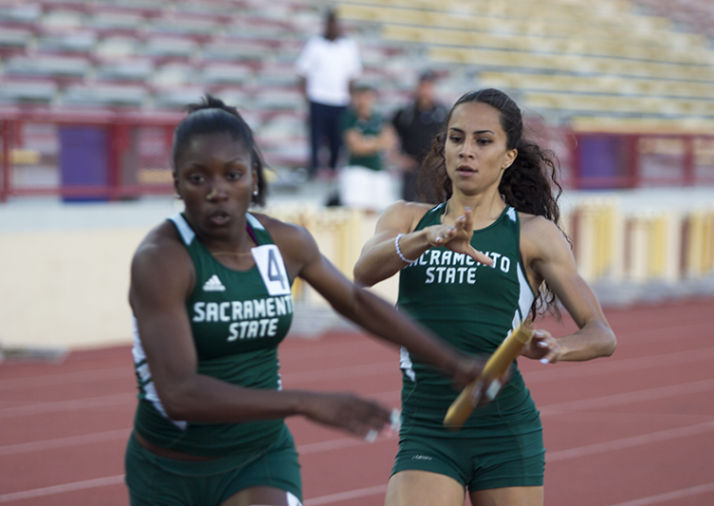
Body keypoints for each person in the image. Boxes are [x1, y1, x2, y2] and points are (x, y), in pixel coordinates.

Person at [124, 95, 483, 506]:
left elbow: (356, 302)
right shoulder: (163, 260)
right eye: (197, 178)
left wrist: (452, 361)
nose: (217, 192)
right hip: (169, 468)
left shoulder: (286, 243)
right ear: (176, 184)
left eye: (233, 175)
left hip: (259, 457)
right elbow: (178, 392)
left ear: (255, 179)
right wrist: (306, 402)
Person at [353, 88, 617, 506]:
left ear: (508, 156)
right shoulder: (407, 218)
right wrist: (427, 237)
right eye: (456, 139)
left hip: (504, 431)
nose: (466, 151)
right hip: (428, 427)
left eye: (483, 140)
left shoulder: (533, 235)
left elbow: (602, 335)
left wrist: (556, 347)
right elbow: (364, 271)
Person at [295, 8, 361, 179]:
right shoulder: (315, 44)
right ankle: (315, 170)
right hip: (318, 98)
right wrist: (306, 95)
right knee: (316, 138)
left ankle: (332, 170)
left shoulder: (348, 46)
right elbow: (303, 72)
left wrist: (351, 98)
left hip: (340, 100)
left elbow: (352, 76)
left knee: (337, 140)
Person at [336, 82, 396, 211]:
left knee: (379, 215)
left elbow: (390, 141)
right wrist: (378, 142)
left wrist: (367, 142)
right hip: (357, 169)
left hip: (378, 169)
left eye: (368, 97)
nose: (364, 101)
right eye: (361, 97)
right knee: (356, 211)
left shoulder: (379, 118)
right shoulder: (349, 118)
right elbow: (356, 147)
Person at [391, 70, 448, 202]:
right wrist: (398, 158)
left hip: (435, 169)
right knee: (409, 207)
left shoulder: (443, 113)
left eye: (429, 87)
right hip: (413, 169)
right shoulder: (405, 114)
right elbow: (390, 134)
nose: (425, 91)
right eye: (422, 86)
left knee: (434, 207)